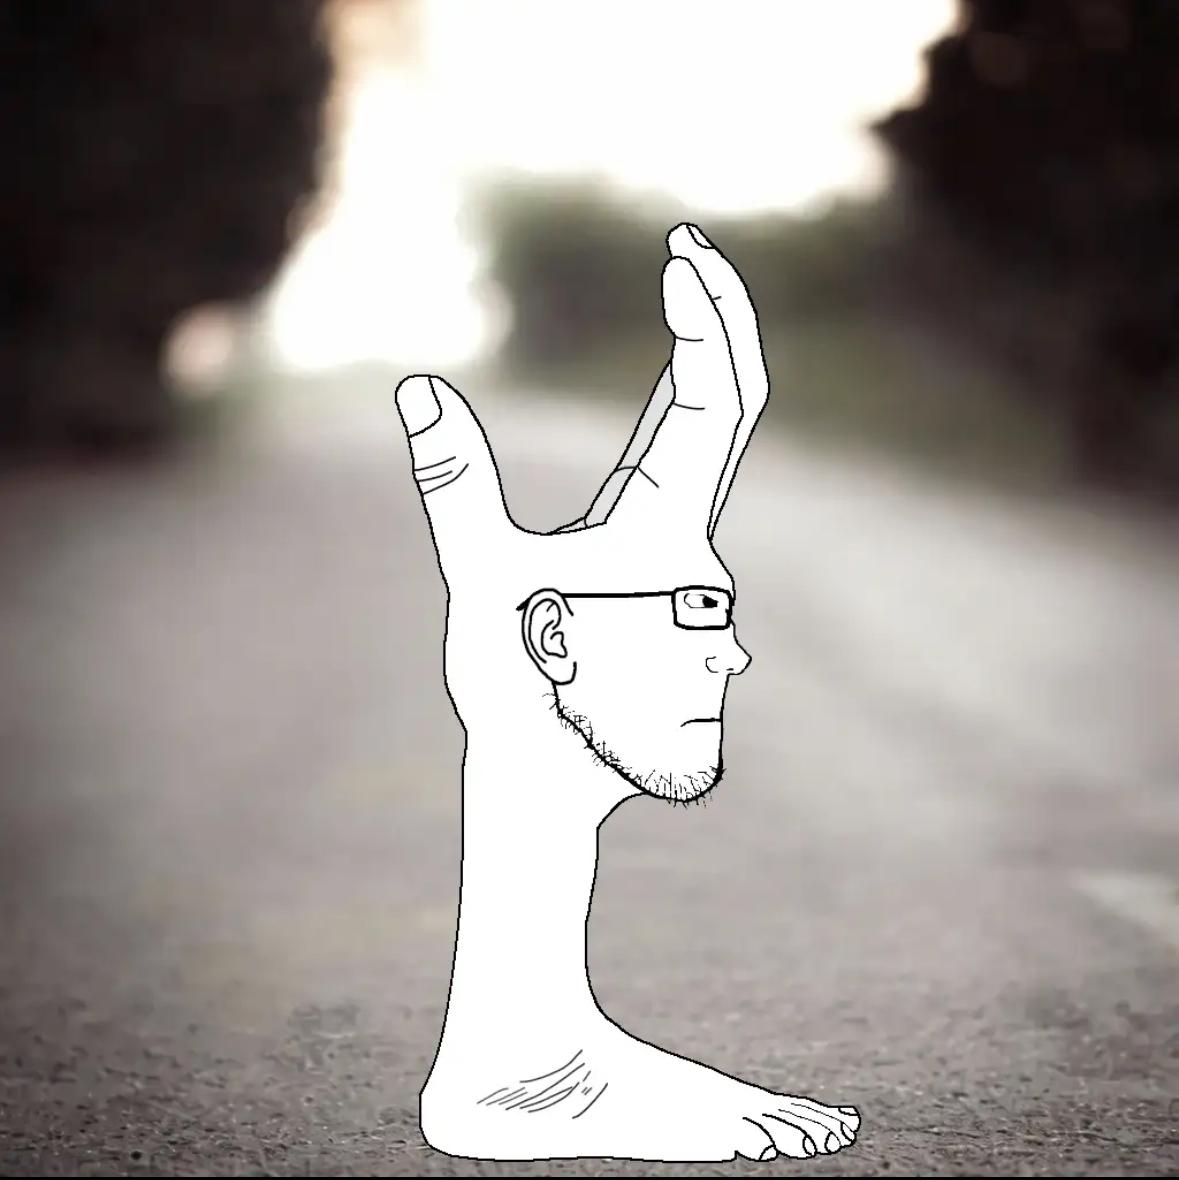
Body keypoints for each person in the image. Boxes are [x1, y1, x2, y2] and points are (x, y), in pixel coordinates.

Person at [395, 223, 860, 1163]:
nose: (733, 657)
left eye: (720, 611)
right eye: (697, 611)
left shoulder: (557, 684)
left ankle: (540, 1066)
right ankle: (529, 1073)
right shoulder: (544, 656)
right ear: (552, 637)